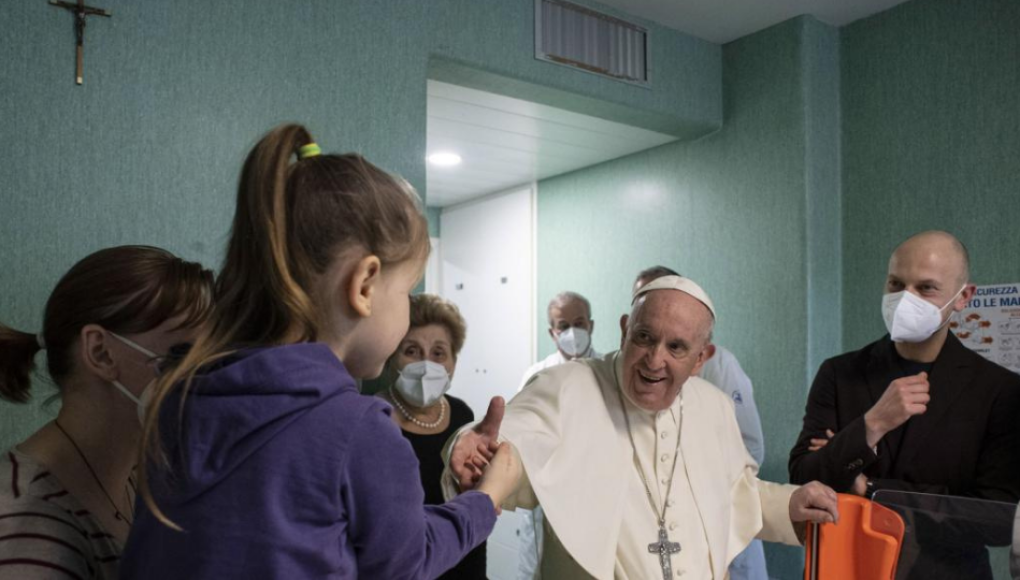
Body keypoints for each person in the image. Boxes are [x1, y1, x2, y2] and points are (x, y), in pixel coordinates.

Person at [120, 124, 520, 579]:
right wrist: (485, 499)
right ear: (364, 285)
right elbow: (406, 564)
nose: (408, 309)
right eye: (406, 291)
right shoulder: (360, 430)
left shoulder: (176, 400)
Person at [447, 275, 839, 579]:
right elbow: (515, 440)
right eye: (644, 337)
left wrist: (789, 505)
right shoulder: (567, 385)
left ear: (701, 358)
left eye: (676, 347)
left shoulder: (714, 408)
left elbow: (737, 494)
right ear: (624, 329)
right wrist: (473, 450)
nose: (654, 360)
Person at [789, 230, 1020, 579]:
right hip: (848, 566)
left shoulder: (1000, 390)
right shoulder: (839, 373)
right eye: (896, 284)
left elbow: (995, 518)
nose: (904, 300)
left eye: (925, 288)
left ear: (963, 297)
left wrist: (870, 488)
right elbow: (804, 477)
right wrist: (871, 426)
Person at [0, 245, 214, 579]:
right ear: (100, 352)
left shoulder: (147, 477)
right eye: (183, 354)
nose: (206, 375)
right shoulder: (24, 523)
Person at [628, 266, 767, 580]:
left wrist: (696, 483)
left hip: (722, 521)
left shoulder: (721, 367)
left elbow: (752, 448)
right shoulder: (624, 376)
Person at [378, 293, 487, 579]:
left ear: (453, 362)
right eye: (411, 351)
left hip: (467, 561)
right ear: (391, 357)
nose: (426, 364)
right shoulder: (373, 419)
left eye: (438, 353)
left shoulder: (462, 413)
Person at [516, 291, 601, 579]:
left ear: (591, 325)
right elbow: (522, 436)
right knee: (540, 569)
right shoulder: (536, 376)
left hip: (596, 492)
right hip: (548, 496)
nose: (572, 332)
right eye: (563, 326)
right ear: (552, 333)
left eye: (579, 323)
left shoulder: (610, 372)